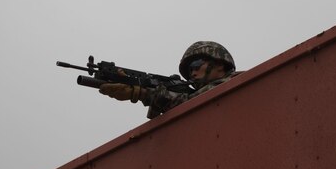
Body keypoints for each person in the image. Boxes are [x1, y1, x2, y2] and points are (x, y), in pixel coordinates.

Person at [98, 41, 239, 118]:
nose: (193, 72)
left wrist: (143, 92)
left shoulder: (237, 81)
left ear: (220, 65)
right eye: (189, 70)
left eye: (196, 65)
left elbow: (191, 101)